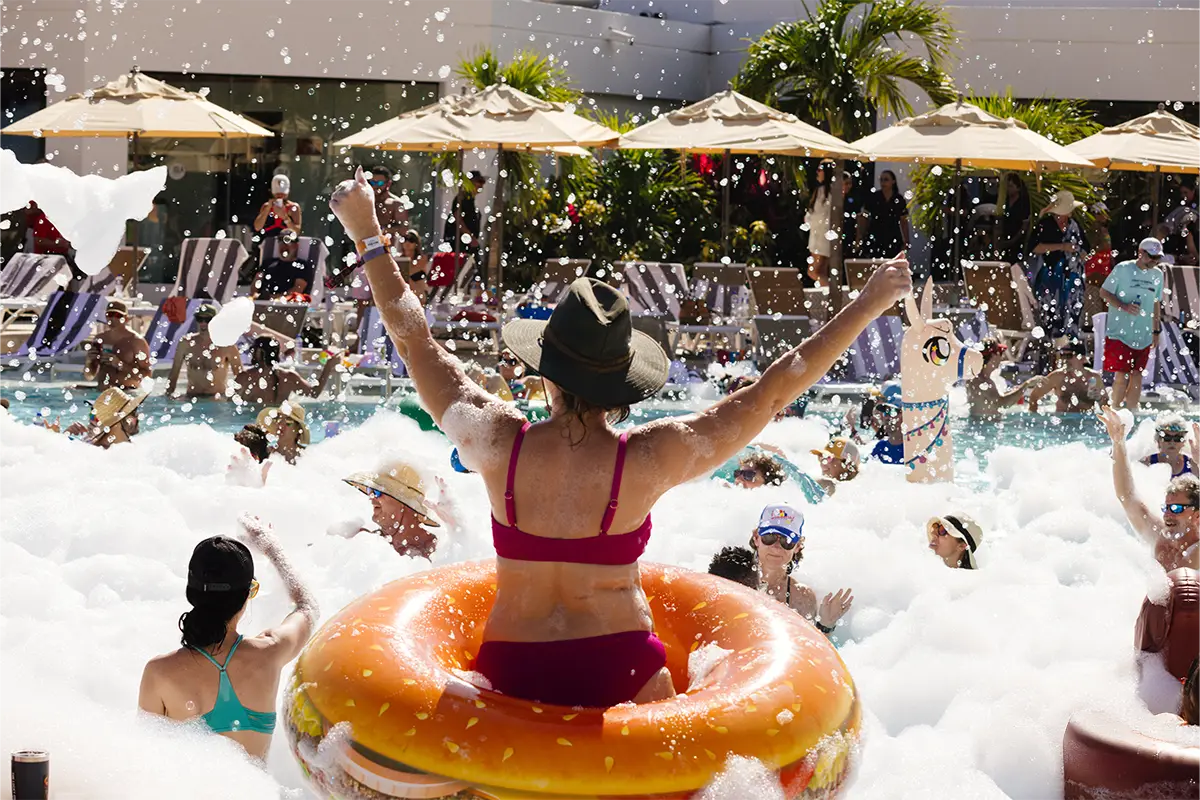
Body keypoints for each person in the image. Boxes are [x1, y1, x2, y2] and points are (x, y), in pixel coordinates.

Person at [328, 165, 910, 708]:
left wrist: (369, 233)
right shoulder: (652, 457)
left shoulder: (496, 440)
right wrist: (866, 305)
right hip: (623, 671)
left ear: (543, 369)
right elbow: (772, 392)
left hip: (513, 667)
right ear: (622, 382)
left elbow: (414, 342)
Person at [138, 516, 318, 761]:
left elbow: (144, 762)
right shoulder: (270, 653)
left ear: (191, 593)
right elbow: (307, 607)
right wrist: (272, 548)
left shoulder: (159, 673)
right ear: (247, 595)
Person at [1100, 406, 1200, 572]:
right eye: (1166, 508)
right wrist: (1118, 443)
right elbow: (1127, 495)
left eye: (1176, 508)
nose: (1167, 514)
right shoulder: (1161, 536)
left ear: (1197, 515)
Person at [748, 504, 853, 635]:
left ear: (797, 546)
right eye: (769, 537)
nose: (776, 547)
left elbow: (808, 649)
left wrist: (825, 625)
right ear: (756, 538)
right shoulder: (730, 577)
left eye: (787, 541)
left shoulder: (802, 597)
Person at [1099, 237, 1165, 411]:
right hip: (1119, 332)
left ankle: (1133, 413)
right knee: (1122, 375)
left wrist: (1156, 331)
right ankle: (1115, 411)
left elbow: (1156, 303)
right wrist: (1123, 306)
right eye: (1151, 256)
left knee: (1137, 375)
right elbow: (1103, 292)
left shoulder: (1158, 274)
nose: (1154, 261)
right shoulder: (1122, 269)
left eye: (1157, 258)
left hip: (1143, 334)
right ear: (1140, 253)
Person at [342, 460, 443, 560]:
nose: (371, 497)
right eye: (370, 490)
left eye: (377, 492)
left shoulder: (437, 550)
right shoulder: (364, 541)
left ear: (404, 502)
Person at [1031, 190, 1090, 343]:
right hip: (1049, 275)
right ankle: (1053, 338)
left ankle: (1070, 339)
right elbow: (1035, 248)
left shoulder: (1074, 225)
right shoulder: (1045, 225)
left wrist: (1081, 253)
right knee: (1052, 308)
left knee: (1073, 307)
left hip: (1072, 275)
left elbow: (1086, 249)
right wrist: (1062, 246)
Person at [233, 334, 341, 406]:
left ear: (258, 352)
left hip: (250, 422)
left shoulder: (244, 378)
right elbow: (315, 393)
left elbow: (229, 405)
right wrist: (328, 366)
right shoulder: (289, 377)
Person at [166, 304, 243, 400]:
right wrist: (167, 400)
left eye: (207, 320)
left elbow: (240, 377)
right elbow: (174, 374)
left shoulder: (227, 345)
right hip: (191, 399)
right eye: (199, 319)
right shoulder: (186, 343)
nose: (203, 323)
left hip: (216, 401)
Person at [82, 299, 150, 391]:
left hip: (127, 392)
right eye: (109, 315)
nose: (112, 319)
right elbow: (89, 376)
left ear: (126, 318)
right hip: (102, 392)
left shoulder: (137, 341)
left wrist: (121, 365)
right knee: (70, 389)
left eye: (117, 315)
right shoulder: (100, 339)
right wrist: (89, 361)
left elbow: (147, 376)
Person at [48, 387, 147, 448]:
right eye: (132, 412)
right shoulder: (99, 451)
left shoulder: (89, 447)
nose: (137, 417)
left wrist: (57, 439)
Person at [1025, 339, 1107, 413]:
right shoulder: (1057, 376)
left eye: (1069, 356)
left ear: (1082, 358)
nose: (1065, 360)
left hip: (1086, 422)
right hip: (1063, 422)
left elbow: (1107, 407)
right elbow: (1034, 397)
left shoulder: (1094, 378)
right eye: (1062, 356)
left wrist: (1099, 399)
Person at [963, 337, 1025, 419]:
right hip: (986, 427)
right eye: (1000, 353)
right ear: (993, 356)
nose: (1001, 358)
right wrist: (1026, 385)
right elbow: (1002, 403)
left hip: (981, 424)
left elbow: (992, 399)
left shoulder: (975, 378)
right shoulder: (983, 382)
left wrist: (1015, 392)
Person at [856, 169, 910, 259]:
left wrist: (906, 240)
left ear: (893, 181)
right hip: (876, 234)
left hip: (893, 235)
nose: (883, 182)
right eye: (881, 180)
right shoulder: (874, 197)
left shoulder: (899, 199)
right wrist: (860, 236)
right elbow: (864, 217)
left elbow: (903, 221)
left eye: (886, 179)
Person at [804, 160, 835, 286]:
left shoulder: (824, 191)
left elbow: (817, 215)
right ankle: (829, 297)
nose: (817, 172)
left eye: (820, 170)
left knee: (813, 272)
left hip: (820, 237)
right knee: (821, 271)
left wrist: (807, 220)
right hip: (824, 236)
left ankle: (832, 293)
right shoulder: (831, 191)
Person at [1141, 414, 1197, 478]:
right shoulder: (1146, 463)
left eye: (1177, 438)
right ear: (1158, 440)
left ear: (1183, 442)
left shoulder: (1193, 465)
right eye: (1167, 438)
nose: (1172, 442)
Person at [444, 170, 486, 250]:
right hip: (459, 243)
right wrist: (470, 237)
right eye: (479, 182)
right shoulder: (462, 198)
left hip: (467, 243)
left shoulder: (471, 200)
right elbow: (458, 218)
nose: (481, 185)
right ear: (470, 183)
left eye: (482, 182)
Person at [253, 174, 302, 241]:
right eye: (277, 194)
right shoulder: (266, 206)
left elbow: (296, 231)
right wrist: (267, 209)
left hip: (287, 244)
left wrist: (285, 218)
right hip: (268, 241)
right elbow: (257, 227)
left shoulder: (293, 207)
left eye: (283, 194)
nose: (280, 196)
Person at [999, 173, 1031, 265]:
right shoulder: (1004, 201)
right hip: (1005, 237)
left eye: (1011, 186)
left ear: (1018, 188)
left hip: (1018, 239)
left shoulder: (1023, 203)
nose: (1008, 189)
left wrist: (1012, 241)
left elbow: (1025, 225)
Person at [398, 229, 431, 305]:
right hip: (404, 294)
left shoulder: (422, 259)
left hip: (419, 294)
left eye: (411, 240)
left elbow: (409, 273)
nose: (407, 242)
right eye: (405, 239)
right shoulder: (398, 259)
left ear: (416, 243)